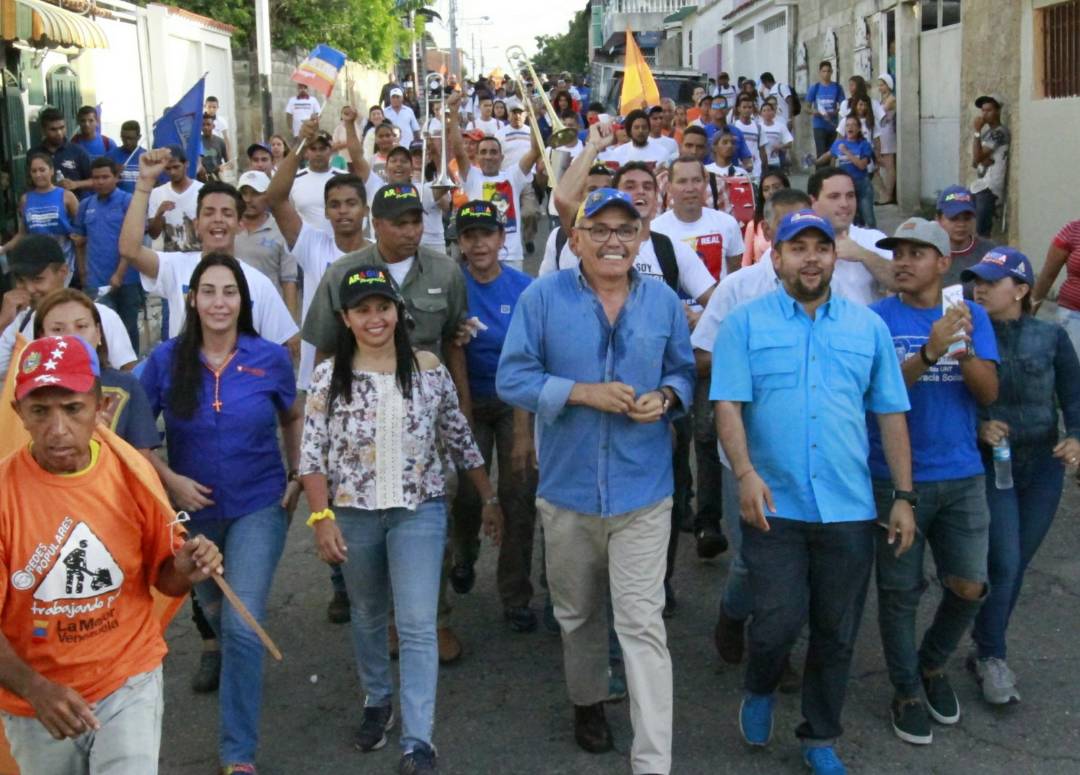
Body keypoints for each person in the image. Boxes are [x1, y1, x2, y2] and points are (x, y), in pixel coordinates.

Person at [497, 187, 695, 775]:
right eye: (600, 229)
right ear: (576, 238)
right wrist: (580, 392)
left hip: (643, 492)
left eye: (625, 230)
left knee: (642, 624)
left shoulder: (661, 301)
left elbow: (683, 373)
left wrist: (664, 397)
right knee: (578, 615)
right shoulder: (542, 298)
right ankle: (587, 702)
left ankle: (652, 760)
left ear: (641, 239)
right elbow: (513, 377)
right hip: (568, 492)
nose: (613, 241)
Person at [712, 208, 913, 775]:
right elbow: (727, 402)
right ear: (775, 258)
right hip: (774, 501)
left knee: (837, 630)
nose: (810, 258)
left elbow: (892, 412)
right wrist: (746, 474)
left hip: (848, 507)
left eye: (820, 248)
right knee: (775, 622)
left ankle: (820, 735)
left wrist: (903, 494)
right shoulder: (745, 324)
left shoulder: (866, 327)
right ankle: (759, 685)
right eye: (796, 248)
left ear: (833, 256)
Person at [301, 263, 501, 774]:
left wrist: (488, 496)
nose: (375, 319)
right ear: (346, 318)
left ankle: (418, 739)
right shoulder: (328, 377)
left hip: (420, 511)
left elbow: (458, 436)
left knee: (416, 624)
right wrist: (322, 517)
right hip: (354, 514)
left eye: (382, 308)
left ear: (398, 312)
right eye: (363, 310)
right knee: (367, 616)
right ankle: (376, 700)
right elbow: (313, 454)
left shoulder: (428, 368)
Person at [0, 334, 223, 775]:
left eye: (73, 408)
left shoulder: (132, 474)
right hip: (36, 704)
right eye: (40, 411)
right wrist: (37, 688)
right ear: (18, 413)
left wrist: (184, 568)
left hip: (127, 679)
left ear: (101, 409)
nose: (58, 428)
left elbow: (162, 578)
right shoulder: (4, 495)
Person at [140, 253, 302, 774]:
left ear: (242, 301)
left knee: (240, 623)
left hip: (260, 505)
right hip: (192, 518)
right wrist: (171, 481)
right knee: (214, 609)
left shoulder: (269, 357)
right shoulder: (165, 360)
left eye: (228, 292)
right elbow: (133, 437)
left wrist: (297, 474)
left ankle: (238, 756)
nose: (218, 302)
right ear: (192, 299)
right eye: (207, 291)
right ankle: (240, 667)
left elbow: (293, 415)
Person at [300, 183, 471, 663]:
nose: (410, 230)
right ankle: (385, 615)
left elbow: (455, 344)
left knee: (429, 520)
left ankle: (433, 618)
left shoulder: (444, 271)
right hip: (361, 429)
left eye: (416, 220)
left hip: (425, 423)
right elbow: (324, 355)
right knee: (369, 527)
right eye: (399, 221)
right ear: (377, 223)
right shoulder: (343, 273)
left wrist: (464, 419)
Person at [868, 218, 999, 747]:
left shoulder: (971, 316)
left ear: (944, 263)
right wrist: (927, 351)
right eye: (898, 252)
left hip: (962, 472)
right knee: (899, 593)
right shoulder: (874, 320)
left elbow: (989, 393)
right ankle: (904, 690)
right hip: (893, 478)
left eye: (917, 253)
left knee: (970, 584)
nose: (902, 261)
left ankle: (931, 664)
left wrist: (961, 348)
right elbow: (876, 393)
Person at [693, 189, 812, 677]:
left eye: (808, 237)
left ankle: (776, 650)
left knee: (796, 566)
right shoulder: (738, 288)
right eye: (787, 234)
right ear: (767, 235)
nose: (800, 250)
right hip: (745, 453)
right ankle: (732, 612)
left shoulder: (831, 291)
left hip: (805, 455)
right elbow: (700, 358)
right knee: (751, 560)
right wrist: (753, 363)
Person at [961, 248, 1080, 706]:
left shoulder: (1050, 337)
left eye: (993, 281)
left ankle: (983, 643)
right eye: (978, 281)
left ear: (1023, 290)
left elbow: (1074, 397)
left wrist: (1076, 438)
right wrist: (978, 427)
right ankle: (992, 654)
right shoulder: (967, 336)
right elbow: (952, 401)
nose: (981, 288)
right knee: (1004, 563)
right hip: (993, 467)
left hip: (1043, 467)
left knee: (1016, 564)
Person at [447, 201, 537, 631]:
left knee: (520, 489)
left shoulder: (524, 289)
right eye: (469, 236)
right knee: (466, 488)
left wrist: (524, 432)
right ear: (460, 243)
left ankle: (515, 595)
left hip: (513, 399)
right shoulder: (452, 286)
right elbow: (449, 352)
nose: (479, 243)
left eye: (487, 234)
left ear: (503, 239)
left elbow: (531, 359)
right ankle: (463, 550)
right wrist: (461, 419)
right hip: (465, 399)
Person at [119, 148, 299, 346]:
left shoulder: (260, 284)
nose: (218, 220)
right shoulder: (175, 267)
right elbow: (130, 250)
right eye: (209, 213)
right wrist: (144, 185)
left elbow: (286, 344)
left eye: (227, 213)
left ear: (240, 225)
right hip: (187, 374)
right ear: (196, 224)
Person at [263, 115, 370, 394]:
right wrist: (299, 145)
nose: (343, 210)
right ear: (325, 212)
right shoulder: (313, 245)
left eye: (351, 204)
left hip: (369, 368)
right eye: (335, 205)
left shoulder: (379, 253)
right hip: (319, 371)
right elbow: (274, 198)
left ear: (366, 210)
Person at [32, 288, 159, 451]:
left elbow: (141, 460)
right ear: (41, 337)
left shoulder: (126, 386)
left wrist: (104, 437)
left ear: (98, 333)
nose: (72, 336)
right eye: (57, 330)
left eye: (81, 326)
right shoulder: (29, 389)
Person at [0, 235, 136, 377]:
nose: (29, 289)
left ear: (63, 272)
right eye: (21, 281)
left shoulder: (102, 315)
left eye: (37, 279)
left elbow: (127, 375)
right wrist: (3, 322)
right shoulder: (21, 320)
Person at [447, 91, 541, 270]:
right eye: (483, 152)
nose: (488, 156)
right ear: (477, 156)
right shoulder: (472, 176)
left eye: (493, 152)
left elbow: (536, 151)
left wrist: (534, 117)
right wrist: (452, 112)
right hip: (481, 256)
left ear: (501, 156)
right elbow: (458, 150)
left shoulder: (513, 175)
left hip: (512, 256)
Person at [73, 157, 143, 352]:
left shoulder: (128, 202)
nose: (100, 182)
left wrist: (119, 273)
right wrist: (82, 271)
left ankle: (131, 374)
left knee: (128, 328)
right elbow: (79, 241)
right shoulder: (86, 205)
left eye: (105, 177)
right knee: (101, 329)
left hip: (127, 278)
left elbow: (134, 241)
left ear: (116, 178)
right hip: (96, 280)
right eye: (96, 178)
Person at [809, 168, 893, 304]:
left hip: (866, 323)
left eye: (850, 195)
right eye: (834, 196)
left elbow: (901, 283)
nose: (845, 204)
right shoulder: (795, 246)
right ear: (813, 202)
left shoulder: (873, 239)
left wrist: (863, 255)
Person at [653, 157, 744, 280]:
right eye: (682, 181)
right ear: (669, 187)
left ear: (705, 183)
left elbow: (735, 275)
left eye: (696, 180)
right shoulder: (655, 230)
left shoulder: (727, 224)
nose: (690, 188)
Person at [0, 152, 79, 284]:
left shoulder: (67, 196)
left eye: (42, 170)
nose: (38, 174)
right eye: (34, 171)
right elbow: (22, 234)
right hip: (36, 262)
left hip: (63, 262)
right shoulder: (25, 199)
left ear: (52, 171)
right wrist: (3, 249)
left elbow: (82, 231)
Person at [235, 170, 299, 318]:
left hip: (269, 313)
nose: (248, 199)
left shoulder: (282, 230)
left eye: (256, 193)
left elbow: (289, 280)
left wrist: (290, 322)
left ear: (268, 196)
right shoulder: (228, 228)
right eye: (244, 193)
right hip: (233, 313)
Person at [816, 117, 876, 229]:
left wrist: (846, 152)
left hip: (862, 184)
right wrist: (814, 161)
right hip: (846, 186)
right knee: (852, 219)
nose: (850, 127)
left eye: (853, 125)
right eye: (848, 125)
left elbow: (862, 165)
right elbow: (828, 155)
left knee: (869, 218)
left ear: (858, 129)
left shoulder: (863, 144)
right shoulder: (839, 143)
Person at [935, 185, 996, 294]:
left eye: (967, 218)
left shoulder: (990, 254)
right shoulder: (928, 253)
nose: (961, 224)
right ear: (938, 219)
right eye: (954, 218)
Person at [1032, 218, 1080, 356]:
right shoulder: (1073, 230)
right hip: (1074, 315)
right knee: (1074, 371)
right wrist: (1028, 315)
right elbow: (1047, 276)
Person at [146, 145, 203, 253]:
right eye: (168, 168)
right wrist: (159, 214)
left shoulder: (202, 190)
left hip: (198, 258)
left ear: (186, 164)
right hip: (170, 260)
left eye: (176, 167)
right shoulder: (157, 193)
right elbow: (153, 234)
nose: (172, 172)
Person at [290, 130, 347, 233]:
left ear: (330, 150)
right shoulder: (294, 179)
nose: (318, 154)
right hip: (306, 244)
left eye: (322, 149)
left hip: (338, 243)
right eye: (313, 149)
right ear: (307, 152)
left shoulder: (345, 178)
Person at [969, 95, 1009, 238]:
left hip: (990, 188)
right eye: (983, 110)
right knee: (970, 229)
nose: (984, 114)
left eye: (989, 110)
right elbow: (975, 161)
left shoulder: (999, 133)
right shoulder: (987, 133)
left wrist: (977, 132)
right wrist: (981, 159)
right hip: (980, 186)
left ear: (997, 111)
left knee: (981, 233)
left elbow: (978, 157)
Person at [31, 107, 92, 199]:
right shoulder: (33, 154)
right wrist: (53, 186)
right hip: (44, 207)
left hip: (73, 209)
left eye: (62, 128)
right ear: (43, 130)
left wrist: (75, 184)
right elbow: (29, 184)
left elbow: (94, 180)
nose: (59, 133)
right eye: (53, 129)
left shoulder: (78, 152)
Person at [742, 168, 790, 267]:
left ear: (786, 188)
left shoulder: (798, 218)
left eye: (776, 187)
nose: (771, 192)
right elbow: (745, 263)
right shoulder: (753, 225)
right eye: (766, 189)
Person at [605, 110, 673, 169]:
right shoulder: (618, 153)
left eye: (644, 127)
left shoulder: (662, 153)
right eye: (636, 127)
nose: (641, 131)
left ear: (649, 129)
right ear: (629, 130)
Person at [807, 62, 843, 160]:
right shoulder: (815, 88)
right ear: (820, 72)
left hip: (832, 124)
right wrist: (813, 111)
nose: (826, 74)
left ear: (831, 72)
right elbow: (807, 107)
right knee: (821, 152)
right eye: (824, 71)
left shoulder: (837, 87)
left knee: (831, 153)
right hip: (819, 125)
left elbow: (843, 105)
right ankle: (820, 174)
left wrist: (834, 112)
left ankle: (829, 174)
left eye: (828, 71)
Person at [873, 75, 897, 205]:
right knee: (876, 164)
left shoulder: (891, 99)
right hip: (881, 133)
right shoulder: (882, 99)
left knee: (889, 166)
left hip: (888, 134)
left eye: (882, 84)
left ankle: (888, 194)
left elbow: (880, 114)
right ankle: (884, 192)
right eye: (879, 85)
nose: (880, 87)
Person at [104, 120, 146, 194]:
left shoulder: (147, 157)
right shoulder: (110, 156)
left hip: (141, 202)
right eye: (124, 138)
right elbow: (102, 184)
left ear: (139, 137)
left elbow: (156, 183)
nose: (127, 142)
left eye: (131, 138)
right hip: (118, 203)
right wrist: (114, 174)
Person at [731, 96, 765, 179]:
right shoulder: (733, 127)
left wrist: (765, 169)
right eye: (744, 107)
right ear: (739, 109)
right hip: (738, 170)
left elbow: (762, 150)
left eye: (750, 107)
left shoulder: (758, 127)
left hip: (756, 171)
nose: (747, 110)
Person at [758, 101, 793, 173]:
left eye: (769, 110)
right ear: (761, 114)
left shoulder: (780, 126)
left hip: (775, 161)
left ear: (773, 112)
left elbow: (790, 143)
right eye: (764, 111)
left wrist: (780, 146)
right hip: (760, 162)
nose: (767, 113)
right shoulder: (758, 127)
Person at [199, 114, 229, 182]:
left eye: (208, 124)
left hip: (217, 180)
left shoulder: (220, 142)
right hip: (201, 180)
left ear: (213, 126)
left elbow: (228, 163)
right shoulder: (197, 142)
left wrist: (221, 168)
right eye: (203, 125)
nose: (206, 127)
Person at [205, 96, 233, 162]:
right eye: (209, 107)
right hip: (204, 153)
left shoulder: (222, 121)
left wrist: (228, 158)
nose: (211, 109)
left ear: (218, 107)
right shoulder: (199, 120)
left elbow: (226, 140)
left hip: (217, 154)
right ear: (205, 106)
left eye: (214, 107)